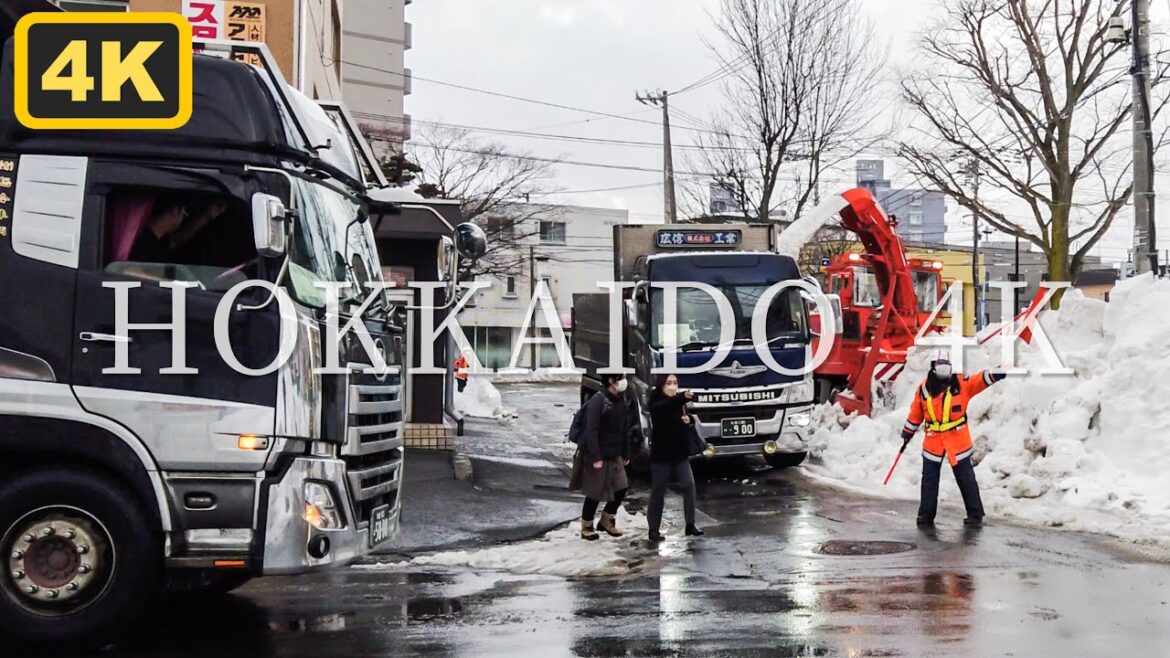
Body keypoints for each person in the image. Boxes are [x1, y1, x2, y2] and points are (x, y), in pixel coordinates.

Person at [900, 352, 1006, 528]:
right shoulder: (924, 388)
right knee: (929, 480)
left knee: (966, 478)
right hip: (933, 441)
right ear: (933, 368)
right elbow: (916, 414)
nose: (944, 371)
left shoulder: (961, 383)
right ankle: (925, 515)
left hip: (957, 440)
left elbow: (980, 379)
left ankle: (975, 514)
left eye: (946, 367)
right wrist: (907, 432)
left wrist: (1000, 372)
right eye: (940, 367)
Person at [571, 373, 632, 541]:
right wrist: (595, 456)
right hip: (598, 453)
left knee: (621, 487)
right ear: (611, 381)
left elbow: (624, 428)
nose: (624, 382)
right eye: (621, 378)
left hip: (615, 453)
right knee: (594, 492)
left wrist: (626, 452)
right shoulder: (598, 401)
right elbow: (592, 430)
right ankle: (587, 526)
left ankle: (606, 519)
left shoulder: (620, 400)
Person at [646, 374, 702, 543]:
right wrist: (681, 397)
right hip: (662, 454)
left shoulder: (679, 402)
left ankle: (690, 524)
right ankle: (653, 529)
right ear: (661, 385)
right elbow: (663, 408)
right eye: (669, 383)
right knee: (658, 490)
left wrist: (689, 420)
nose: (672, 386)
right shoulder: (657, 400)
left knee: (689, 485)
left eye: (675, 383)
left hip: (679, 452)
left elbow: (688, 418)